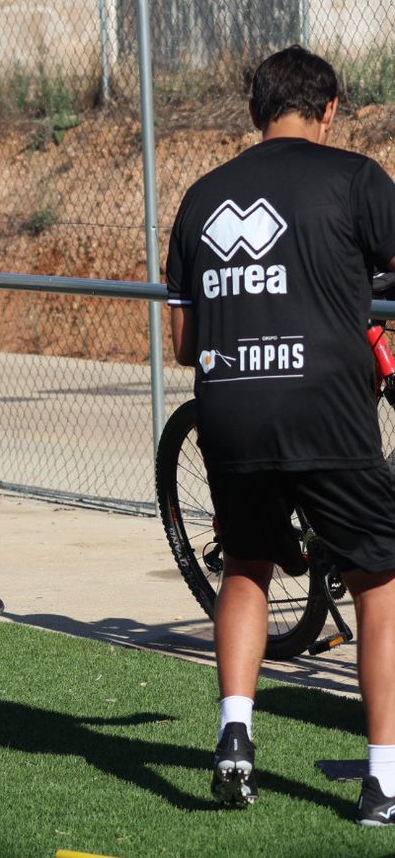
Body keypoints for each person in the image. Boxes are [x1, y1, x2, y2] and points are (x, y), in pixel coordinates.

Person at [164, 45, 395, 825]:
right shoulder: (356, 178)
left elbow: (184, 342)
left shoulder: (202, 196)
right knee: (380, 584)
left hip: (229, 408)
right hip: (327, 407)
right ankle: (384, 781)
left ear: (254, 109)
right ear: (329, 110)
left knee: (245, 567)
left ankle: (235, 735)